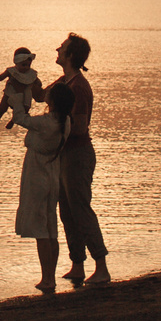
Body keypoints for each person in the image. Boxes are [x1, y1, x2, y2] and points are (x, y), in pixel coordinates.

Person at [50, 33, 110, 285]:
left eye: (62, 48)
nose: (57, 49)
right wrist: (21, 76)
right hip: (65, 155)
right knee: (66, 210)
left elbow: (80, 127)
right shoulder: (64, 81)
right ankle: (77, 264)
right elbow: (42, 96)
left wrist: (53, 126)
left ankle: (101, 266)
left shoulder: (79, 87)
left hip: (78, 154)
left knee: (80, 209)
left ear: (71, 55)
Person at [10, 80, 72, 291]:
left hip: (37, 178)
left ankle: (47, 278)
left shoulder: (46, 123)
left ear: (53, 101)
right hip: (52, 176)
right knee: (50, 229)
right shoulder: (65, 122)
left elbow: (20, 118)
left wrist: (16, 97)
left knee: (41, 231)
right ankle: (49, 277)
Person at [0, 46, 41, 134]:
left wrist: (38, 85)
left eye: (28, 65)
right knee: (1, 109)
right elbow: (1, 77)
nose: (26, 67)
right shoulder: (12, 71)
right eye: (23, 65)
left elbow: (37, 81)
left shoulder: (31, 73)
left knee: (25, 108)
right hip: (10, 93)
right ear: (17, 63)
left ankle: (13, 120)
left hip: (24, 95)